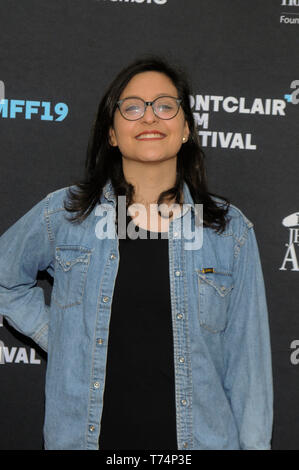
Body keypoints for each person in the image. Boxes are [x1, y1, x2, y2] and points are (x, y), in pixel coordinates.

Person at [0, 56, 273, 450]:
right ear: (111, 133)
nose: (149, 118)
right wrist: (60, 336)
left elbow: (249, 372)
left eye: (165, 106)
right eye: (132, 107)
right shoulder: (65, 215)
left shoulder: (228, 232)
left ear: (186, 129)